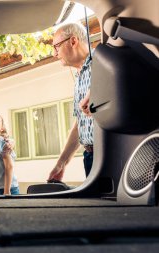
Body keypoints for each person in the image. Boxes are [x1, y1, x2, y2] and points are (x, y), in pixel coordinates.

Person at [48, 23, 94, 182]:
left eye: (57, 46)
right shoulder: (79, 76)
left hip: (111, 154)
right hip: (90, 157)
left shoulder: (104, 62)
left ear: (73, 41)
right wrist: (61, 163)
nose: (55, 54)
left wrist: (99, 89)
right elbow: (79, 124)